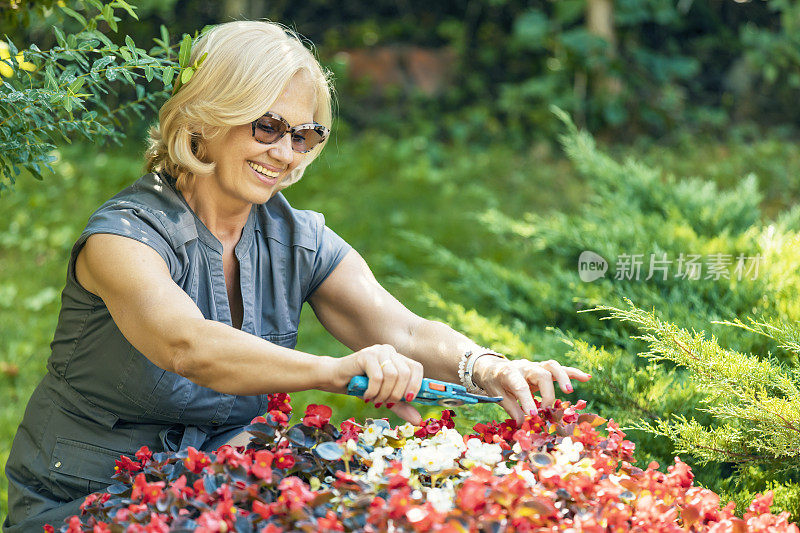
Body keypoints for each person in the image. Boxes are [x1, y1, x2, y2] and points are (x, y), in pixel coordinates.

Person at [2, 20, 591, 532]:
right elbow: (184, 345)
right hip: (84, 503)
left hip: (219, 494)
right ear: (206, 117)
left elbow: (402, 331)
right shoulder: (122, 238)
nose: (286, 153)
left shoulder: (296, 237)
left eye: (305, 135)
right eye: (266, 127)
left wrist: (486, 366)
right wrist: (333, 373)